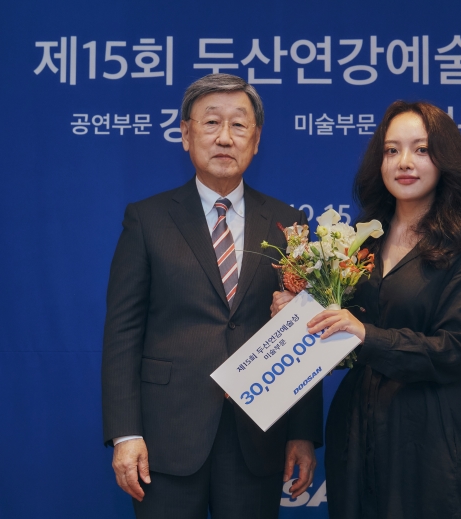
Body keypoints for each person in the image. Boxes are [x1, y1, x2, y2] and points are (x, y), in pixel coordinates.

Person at [102, 73, 323, 519]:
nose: (225, 137)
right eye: (211, 123)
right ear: (186, 134)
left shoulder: (288, 222)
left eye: (239, 125)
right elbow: (123, 333)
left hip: (256, 432)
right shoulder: (147, 219)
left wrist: (301, 432)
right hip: (167, 434)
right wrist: (126, 434)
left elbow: (302, 331)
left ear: (256, 140)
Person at [272, 100, 461, 518]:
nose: (404, 162)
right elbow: (336, 338)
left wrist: (365, 333)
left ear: (446, 159)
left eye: (421, 149)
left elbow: (452, 350)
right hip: (354, 429)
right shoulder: (359, 242)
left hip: (427, 435)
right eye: (392, 150)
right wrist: (297, 316)